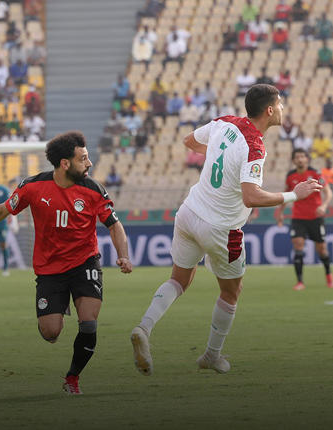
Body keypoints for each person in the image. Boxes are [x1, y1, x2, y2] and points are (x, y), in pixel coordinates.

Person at [130, 84, 322, 376]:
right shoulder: (255, 146)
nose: (283, 109)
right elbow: (251, 197)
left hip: (189, 211)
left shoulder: (225, 122)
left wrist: (221, 157)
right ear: (270, 110)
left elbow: (189, 141)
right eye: (281, 104)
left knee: (178, 280)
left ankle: (144, 328)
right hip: (220, 227)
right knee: (231, 291)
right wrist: (294, 194)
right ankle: (211, 355)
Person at [0, 131, 132, 395]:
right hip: (50, 270)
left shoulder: (93, 189)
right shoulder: (33, 186)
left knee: (89, 324)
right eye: (83, 158)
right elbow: (3, 210)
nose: (89, 163)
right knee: (51, 333)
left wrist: (123, 254)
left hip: (85, 263)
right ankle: (56, 310)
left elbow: (115, 225)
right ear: (65, 163)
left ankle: (72, 378)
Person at [275, 148, 333, 291]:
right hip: (298, 217)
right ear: (293, 160)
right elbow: (286, 195)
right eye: (297, 157)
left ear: (307, 159)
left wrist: (324, 206)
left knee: (321, 249)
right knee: (298, 245)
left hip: (315, 217)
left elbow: (328, 192)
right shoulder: (290, 176)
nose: (300, 159)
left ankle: (328, 275)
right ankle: (300, 282)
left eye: (302, 156)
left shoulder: (316, 174)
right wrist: (280, 212)